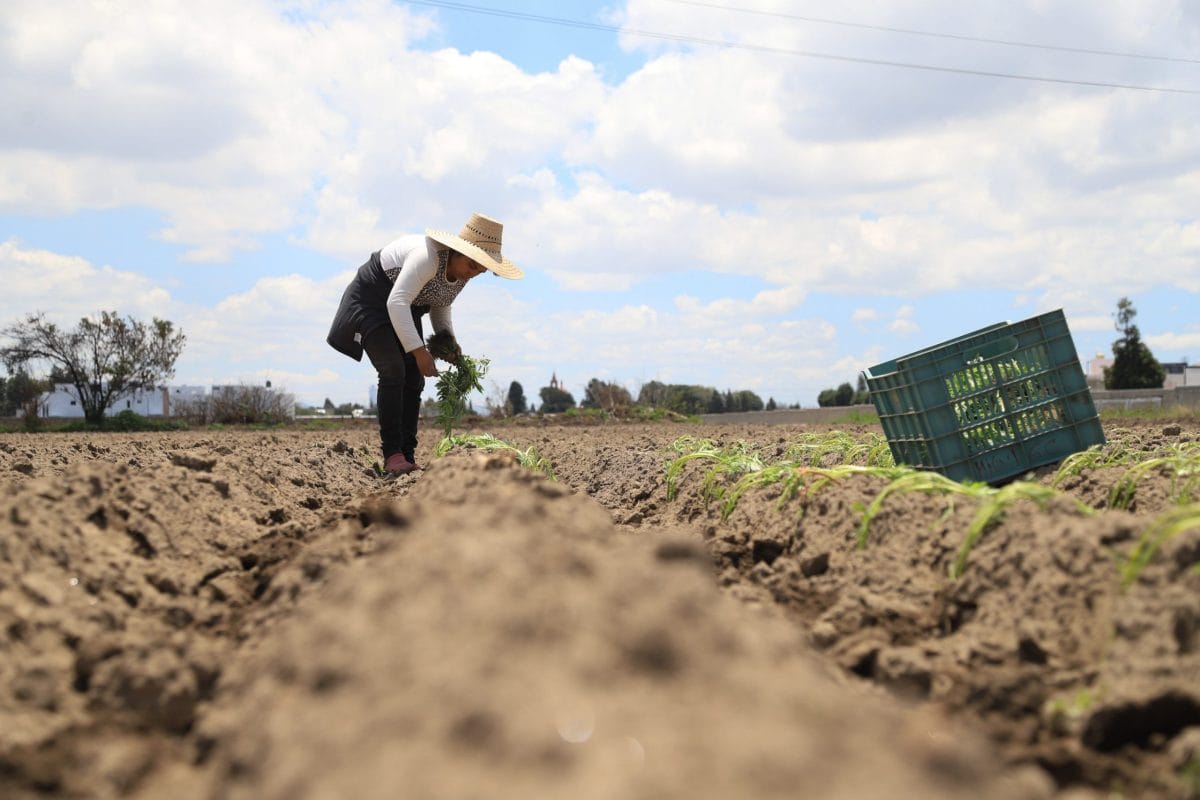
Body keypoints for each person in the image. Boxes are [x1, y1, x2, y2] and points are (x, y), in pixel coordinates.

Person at [327, 213, 523, 475]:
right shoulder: (427, 257)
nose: (473, 274)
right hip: (372, 300)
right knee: (393, 369)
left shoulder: (462, 273)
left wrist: (449, 344)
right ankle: (393, 455)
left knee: (415, 378)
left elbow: (441, 305)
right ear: (456, 251)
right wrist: (420, 352)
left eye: (481, 269)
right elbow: (396, 302)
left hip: (405, 307)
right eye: (472, 265)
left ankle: (407, 454)